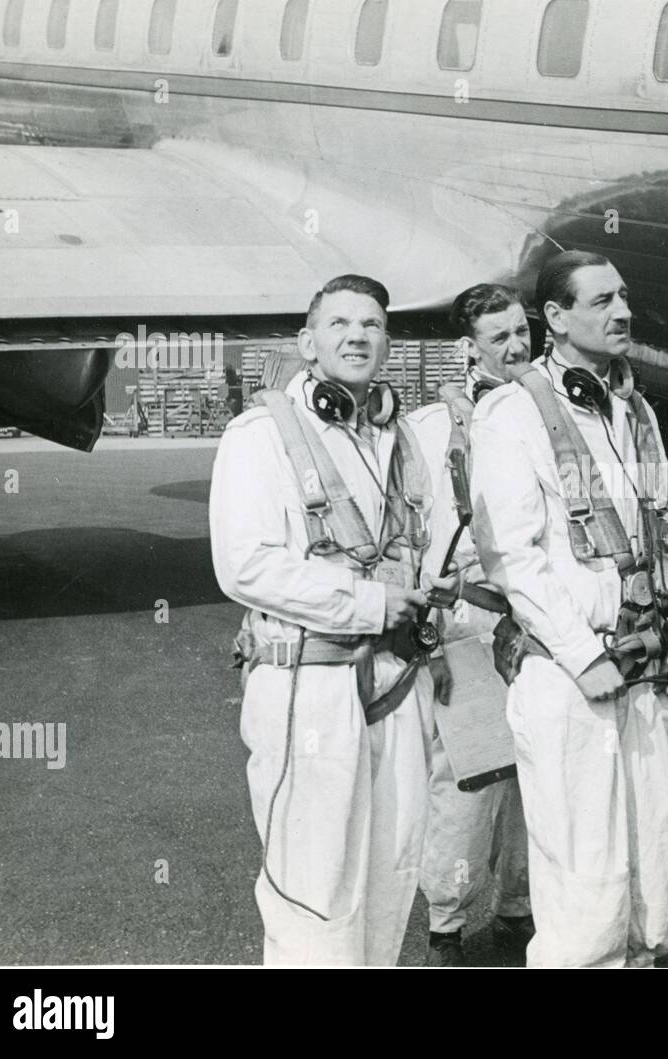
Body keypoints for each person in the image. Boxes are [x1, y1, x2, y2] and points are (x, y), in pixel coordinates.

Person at [469, 250, 668, 968]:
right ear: (556, 318)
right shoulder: (511, 413)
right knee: (584, 877)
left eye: (625, 296)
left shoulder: (635, 413)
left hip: (644, 666)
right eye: (602, 301)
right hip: (571, 677)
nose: (623, 312)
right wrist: (584, 656)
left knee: (654, 866)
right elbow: (513, 556)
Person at [210, 274, 444, 966]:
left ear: (387, 344)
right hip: (306, 689)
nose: (357, 336)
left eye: (371, 325)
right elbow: (245, 564)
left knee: (393, 872)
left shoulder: (397, 439)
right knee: (312, 887)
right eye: (339, 323)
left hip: (398, 685)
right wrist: (370, 602)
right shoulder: (260, 435)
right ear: (307, 344)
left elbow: (421, 542)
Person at [406, 284, 534, 965]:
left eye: (522, 331)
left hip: (542, 624)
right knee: (469, 782)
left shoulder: (550, 413)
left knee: (534, 777)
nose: (516, 346)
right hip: (468, 623)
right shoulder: (433, 427)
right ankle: (448, 926)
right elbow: (411, 528)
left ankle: (519, 907)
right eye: (499, 336)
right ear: (468, 348)